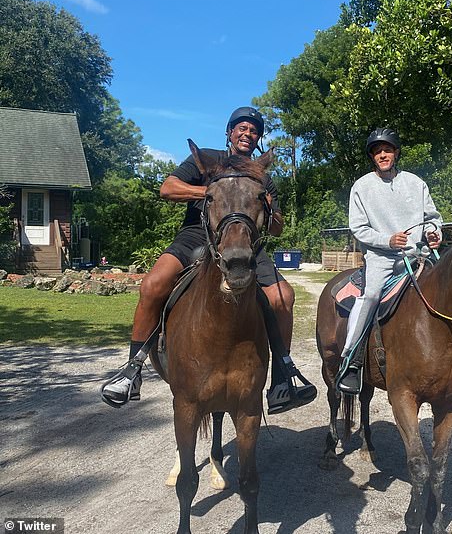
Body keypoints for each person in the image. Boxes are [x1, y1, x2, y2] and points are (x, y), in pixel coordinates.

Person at [101, 107, 317, 413]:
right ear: (229, 133)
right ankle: (132, 370)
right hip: (197, 234)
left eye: (253, 130)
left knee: (283, 298)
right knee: (153, 284)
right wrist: (212, 191)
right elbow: (167, 188)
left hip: (246, 241)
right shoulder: (207, 159)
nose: (247, 133)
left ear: (258, 139)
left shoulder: (262, 176)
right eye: (241, 128)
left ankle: (282, 376)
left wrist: (267, 206)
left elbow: (278, 227)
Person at [336, 127, 452, 398]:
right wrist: (387, 240)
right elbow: (358, 228)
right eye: (378, 151)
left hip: (419, 256)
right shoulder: (361, 187)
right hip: (382, 258)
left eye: (387, 149)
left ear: (396, 152)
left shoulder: (416, 183)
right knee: (369, 296)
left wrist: (433, 233)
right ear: (372, 156)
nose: (383, 154)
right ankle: (352, 360)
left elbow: (433, 217)